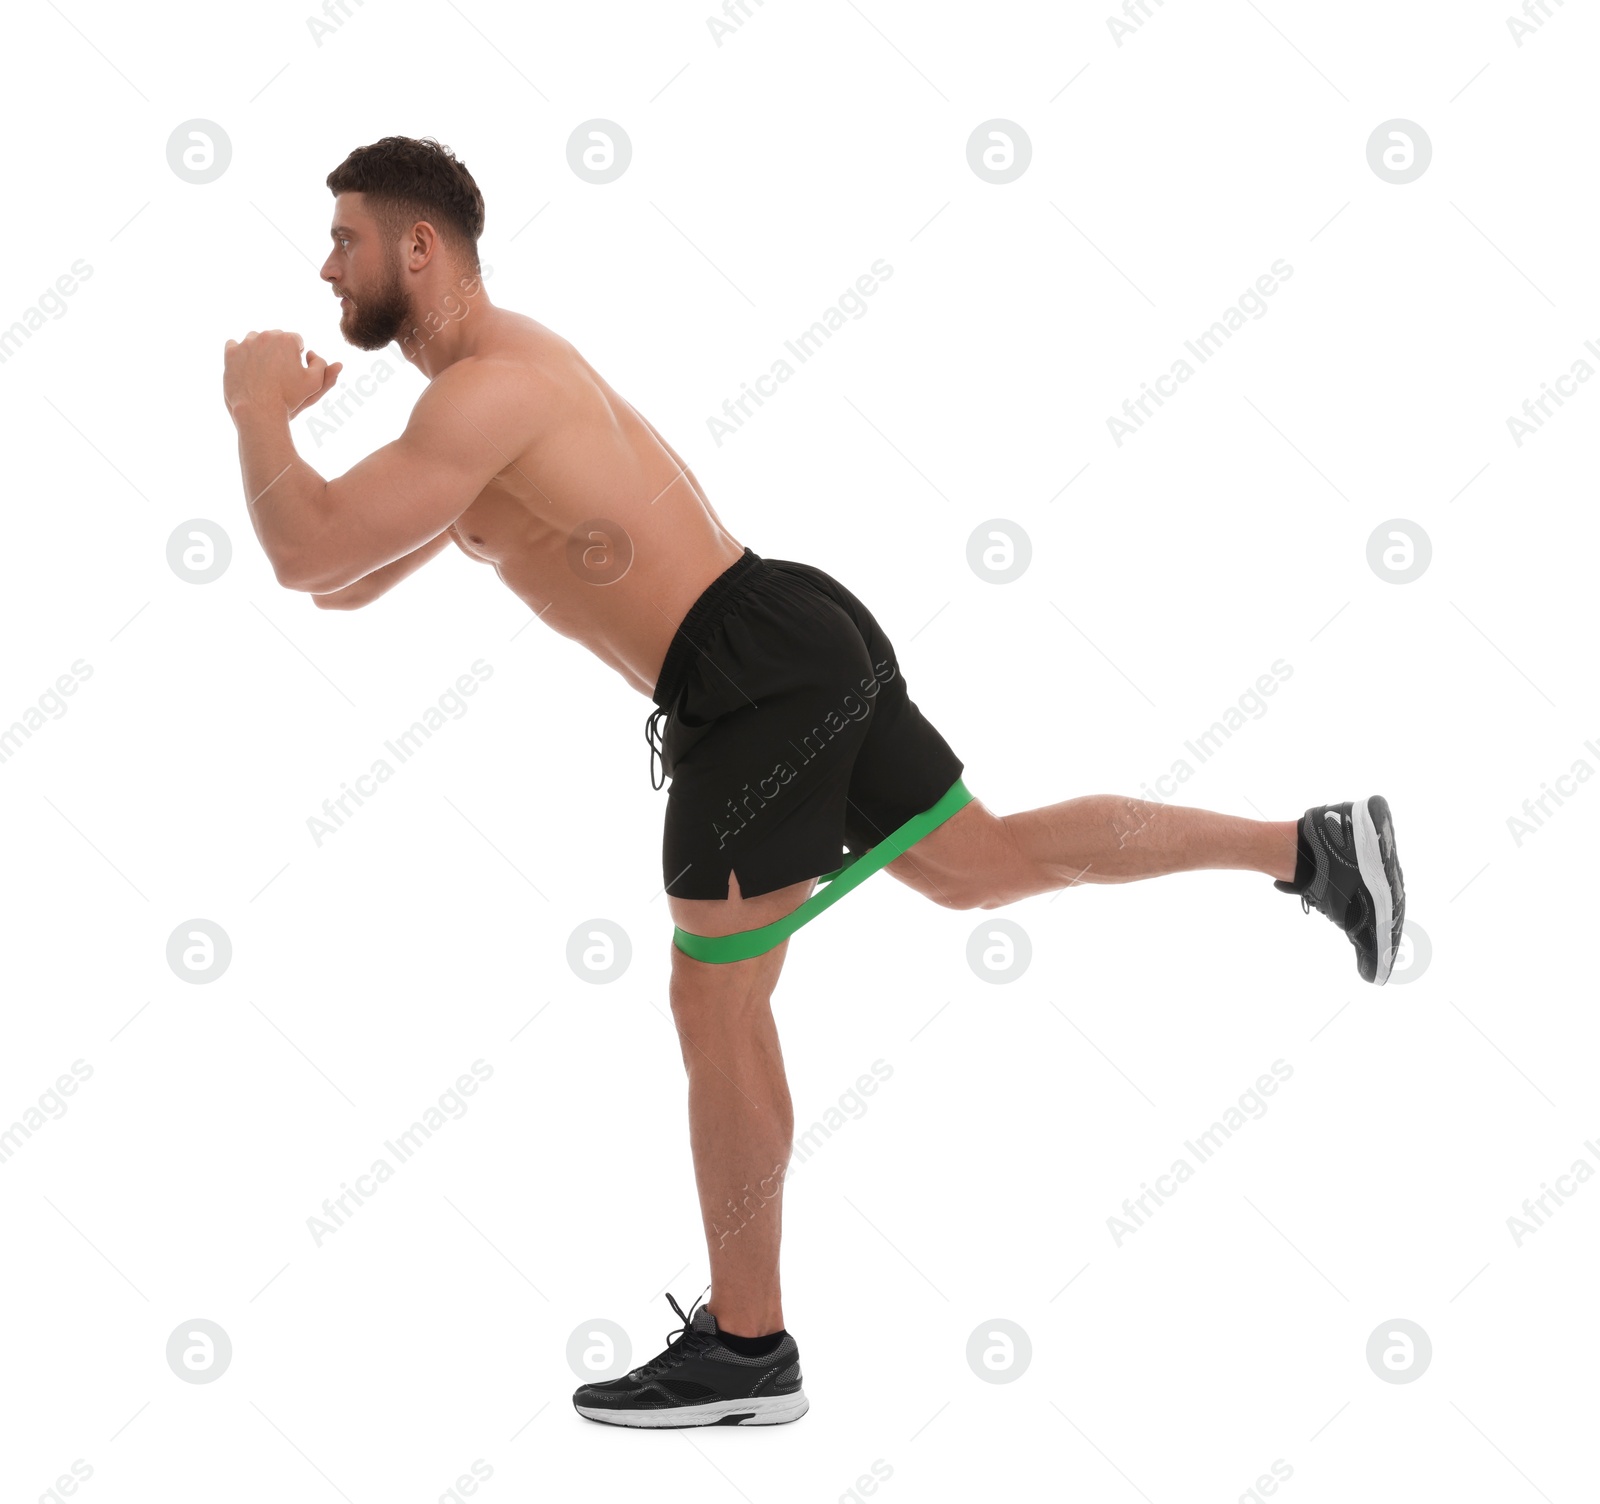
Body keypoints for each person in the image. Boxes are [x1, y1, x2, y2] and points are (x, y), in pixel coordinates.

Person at [223, 135, 1406, 1429]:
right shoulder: (474, 403)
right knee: (982, 865)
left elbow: (306, 554)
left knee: (715, 994)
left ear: (419, 247)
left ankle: (747, 1346)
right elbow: (343, 577)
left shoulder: (485, 395)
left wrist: (257, 413)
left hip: (750, 676)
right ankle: (1313, 847)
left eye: (344, 237)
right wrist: (285, 444)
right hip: (777, 638)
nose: (326, 264)